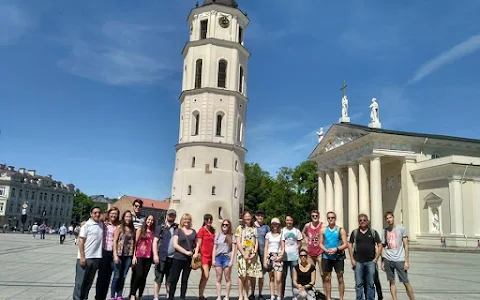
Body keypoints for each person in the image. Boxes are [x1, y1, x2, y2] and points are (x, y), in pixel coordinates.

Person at [348, 214, 383, 300]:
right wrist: (352, 259)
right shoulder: (355, 233)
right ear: (358, 222)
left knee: (370, 283)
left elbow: (380, 245)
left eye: (364, 220)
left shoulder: (373, 232)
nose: (362, 222)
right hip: (358, 261)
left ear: (367, 221)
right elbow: (350, 245)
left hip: (370, 261)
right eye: (360, 220)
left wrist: (376, 259)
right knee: (359, 284)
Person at [382, 211, 415, 300]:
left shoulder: (401, 229)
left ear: (393, 217)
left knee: (406, 282)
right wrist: (383, 261)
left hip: (400, 259)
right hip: (388, 259)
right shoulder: (384, 231)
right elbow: (383, 246)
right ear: (386, 220)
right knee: (392, 282)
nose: (389, 220)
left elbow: (406, 245)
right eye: (387, 218)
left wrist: (406, 261)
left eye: (390, 217)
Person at [73, 207, 104, 300]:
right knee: (79, 283)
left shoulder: (101, 224)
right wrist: (82, 257)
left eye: (99, 212)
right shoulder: (86, 225)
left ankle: (84, 298)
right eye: (95, 213)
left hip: (96, 258)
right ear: (91, 214)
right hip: (85, 258)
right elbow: (81, 241)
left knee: (88, 283)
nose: (97, 214)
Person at [169, 213, 198, 300]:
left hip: (188, 260)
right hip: (178, 258)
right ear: (182, 220)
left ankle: (182, 297)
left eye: (188, 219)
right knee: (174, 279)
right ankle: (171, 297)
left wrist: (196, 253)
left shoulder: (193, 232)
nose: (187, 221)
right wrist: (186, 252)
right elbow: (175, 244)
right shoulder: (178, 230)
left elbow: (197, 244)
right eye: (185, 219)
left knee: (185, 280)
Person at [319, 212, 347, 300]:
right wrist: (326, 250)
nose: (331, 219)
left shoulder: (340, 230)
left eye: (333, 217)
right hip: (326, 256)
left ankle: (341, 298)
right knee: (327, 278)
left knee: (340, 278)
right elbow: (320, 243)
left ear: (335, 218)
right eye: (329, 218)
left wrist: (336, 249)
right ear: (327, 219)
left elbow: (345, 244)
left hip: (338, 257)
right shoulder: (323, 230)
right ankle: (328, 297)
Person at [235, 211, 262, 300]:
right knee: (241, 276)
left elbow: (256, 241)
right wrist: (243, 253)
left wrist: (254, 252)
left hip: (252, 255)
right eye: (246, 216)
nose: (247, 218)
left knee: (249, 276)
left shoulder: (254, 228)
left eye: (249, 216)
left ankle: (246, 295)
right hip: (242, 254)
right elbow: (238, 241)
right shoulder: (240, 228)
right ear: (243, 218)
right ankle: (240, 296)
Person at [153, 209, 178, 300]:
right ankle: (156, 297)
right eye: (169, 215)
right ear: (166, 215)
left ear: (175, 216)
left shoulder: (177, 228)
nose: (171, 216)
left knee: (169, 279)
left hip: (173, 258)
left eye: (173, 215)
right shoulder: (160, 227)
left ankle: (168, 296)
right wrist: (155, 255)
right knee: (158, 278)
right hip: (161, 257)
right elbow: (155, 242)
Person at [96, 207, 120, 300]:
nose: (113, 215)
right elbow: (95, 219)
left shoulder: (118, 225)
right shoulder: (104, 223)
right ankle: (98, 297)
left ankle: (103, 297)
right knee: (101, 277)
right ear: (109, 214)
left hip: (113, 253)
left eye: (115, 214)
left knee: (108, 278)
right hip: (104, 251)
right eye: (112, 213)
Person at [129, 214, 155, 300]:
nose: (150, 221)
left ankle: (140, 296)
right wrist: (134, 256)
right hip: (139, 255)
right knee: (139, 275)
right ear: (146, 220)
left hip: (149, 257)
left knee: (144, 277)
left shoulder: (153, 232)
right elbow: (135, 243)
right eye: (149, 219)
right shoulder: (140, 229)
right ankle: (133, 294)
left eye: (152, 220)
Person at [111, 210, 135, 300]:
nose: (128, 218)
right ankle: (112, 296)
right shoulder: (120, 227)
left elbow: (134, 242)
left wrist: (134, 256)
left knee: (123, 276)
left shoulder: (132, 229)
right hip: (119, 254)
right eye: (126, 216)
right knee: (117, 276)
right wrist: (115, 255)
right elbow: (115, 241)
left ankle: (119, 294)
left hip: (128, 255)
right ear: (123, 217)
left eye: (129, 217)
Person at [213, 218, 236, 300]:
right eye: (223, 224)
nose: (225, 226)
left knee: (227, 278)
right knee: (218, 278)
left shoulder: (231, 236)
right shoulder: (218, 235)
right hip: (218, 257)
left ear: (229, 226)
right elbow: (214, 248)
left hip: (227, 257)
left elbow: (233, 249)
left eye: (226, 225)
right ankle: (219, 296)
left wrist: (231, 260)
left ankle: (227, 296)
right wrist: (213, 259)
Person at [281, 215, 303, 299]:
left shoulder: (296, 231)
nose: (289, 222)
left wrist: (296, 249)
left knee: (294, 277)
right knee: (282, 277)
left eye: (290, 220)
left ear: (293, 221)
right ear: (285, 221)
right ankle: (281, 295)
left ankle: (295, 295)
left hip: (294, 257)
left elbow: (299, 242)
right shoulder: (282, 231)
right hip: (284, 257)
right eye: (287, 220)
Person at [195, 214, 216, 300]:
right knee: (206, 275)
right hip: (204, 256)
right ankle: (200, 294)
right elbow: (198, 243)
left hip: (210, 256)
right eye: (207, 220)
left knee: (204, 276)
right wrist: (196, 253)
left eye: (210, 220)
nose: (209, 221)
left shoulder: (213, 230)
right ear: (204, 220)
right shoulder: (202, 230)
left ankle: (201, 295)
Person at [263, 217, 284, 300]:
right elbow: (266, 247)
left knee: (278, 279)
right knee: (271, 277)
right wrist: (265, 259)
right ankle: (272, 295)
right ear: (271, 225)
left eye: (276, 224)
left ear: (279, 225)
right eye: (273, 224)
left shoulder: (281, 235)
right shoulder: (268, 234)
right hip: (269, 256)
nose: (275, 225)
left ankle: (279, 296)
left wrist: (280, 256)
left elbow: (283, 247)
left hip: (278, 255)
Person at [302, 210, 324, 288]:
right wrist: (306, 239)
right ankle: (309, 293)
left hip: (320, 252)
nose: (315, 217)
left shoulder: (322, 225)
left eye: (316, 216)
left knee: (323, 274)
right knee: (309, 273)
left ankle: (326, 294)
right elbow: (303, 232)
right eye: (313, 216)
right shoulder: (308, 225)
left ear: (319, 216)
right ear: (311, 217)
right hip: (310, 253)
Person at [252, 211, 270, 300]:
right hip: (253, 253)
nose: (260, 217)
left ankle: (260, 293)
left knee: (261, 275)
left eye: (262, 216)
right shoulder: (252, 226)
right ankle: (252, 293)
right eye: (258, 216)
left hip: (263, 253)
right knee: (253, 274)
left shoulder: (266, 227)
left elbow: (268, 240)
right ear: (255, 216)